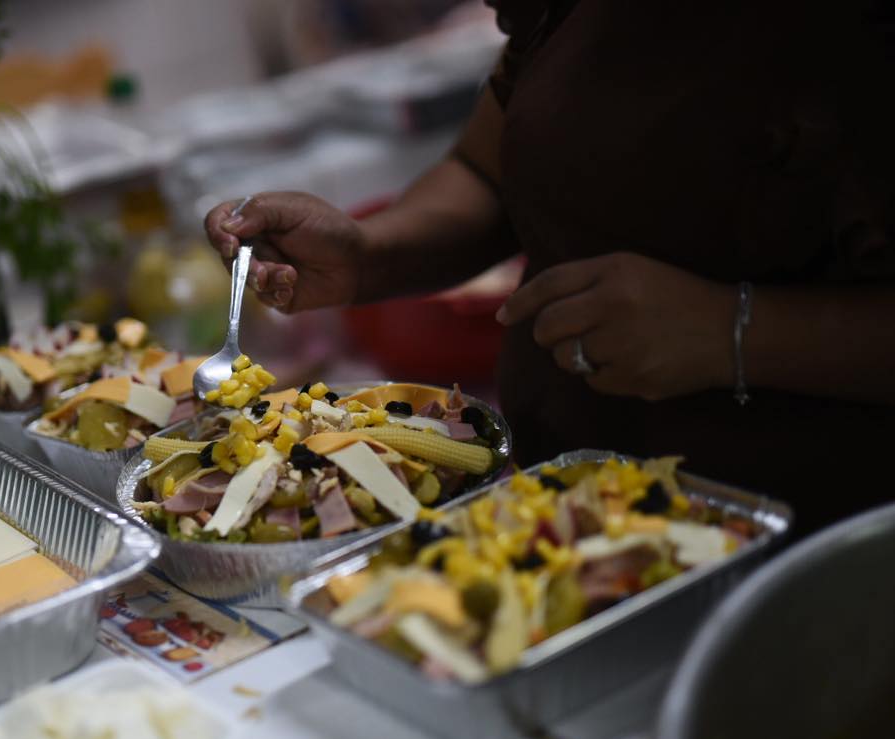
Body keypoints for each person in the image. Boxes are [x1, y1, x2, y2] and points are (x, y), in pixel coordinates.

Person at [205, 0, 895, 535]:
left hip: (813, 552)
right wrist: (370, 253)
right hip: (571, 505)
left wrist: (735, 334)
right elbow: (491, 167)